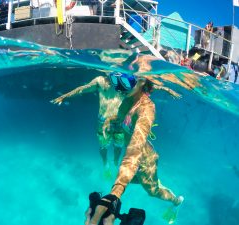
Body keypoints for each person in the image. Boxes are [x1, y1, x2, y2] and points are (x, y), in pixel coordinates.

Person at [87, 72, 184, 225]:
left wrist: (116, 193)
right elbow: (121, 119)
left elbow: (135, 148)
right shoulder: (128, 100)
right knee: (132, 179)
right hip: (133, 160)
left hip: (144, 160)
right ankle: (153, 181)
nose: (119, 87)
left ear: (141, 82)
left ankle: (176, 201)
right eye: (116, 80)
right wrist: (109, 121)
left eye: (125, 82)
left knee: (152, 191)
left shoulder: (147, 110)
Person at [51, 73, 181, 178]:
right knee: (103, 146)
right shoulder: (100, 81)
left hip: (120, 122)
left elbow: (148, 86)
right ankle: (106, 164)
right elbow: (83, 89)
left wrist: (167, 89)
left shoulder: (126, 81)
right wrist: (64, 97)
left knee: (118, 145)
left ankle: (115, 162)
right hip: (103, 122)